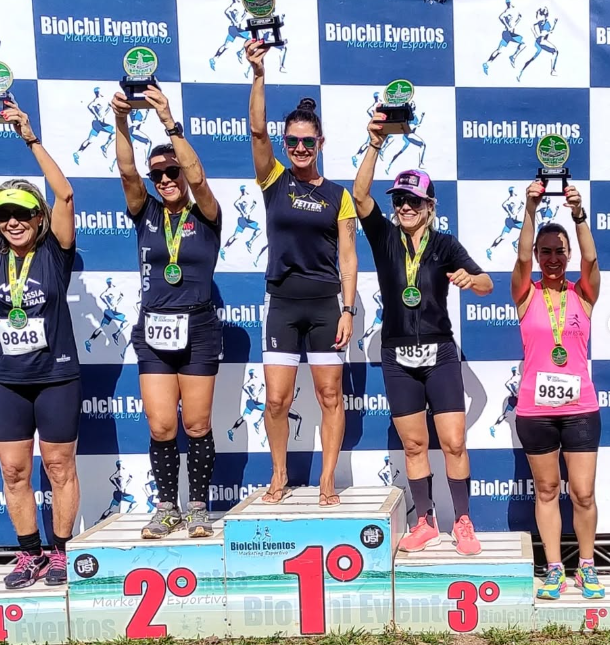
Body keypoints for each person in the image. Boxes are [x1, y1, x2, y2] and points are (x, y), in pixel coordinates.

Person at [0, 99, 80, 587]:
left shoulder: (55, 250)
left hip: (56, 376)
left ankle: (61, 552)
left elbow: (64, 195)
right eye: (4, 214)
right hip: (7, 379)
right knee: (14, 471)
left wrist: (30, 137)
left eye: (22, 213)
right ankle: (30, 554)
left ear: (37, 216)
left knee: (60, 465)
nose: (12, 221)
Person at [352, 110, 493, 555]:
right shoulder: (385, 238)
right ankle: (426, 520)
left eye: (414, 202)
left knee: (453, 441)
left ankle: (463, 520)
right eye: (400, 201)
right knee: (415, 443)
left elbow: (488, 282)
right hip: (397, 354)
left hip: (439, 352)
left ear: (430, 206)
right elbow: (358, 197)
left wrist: (472, 281)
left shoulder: (446, 245)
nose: (405, 208)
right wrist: (374, 143)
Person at [246, 39, 358, 506]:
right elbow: (256, 133)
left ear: (320, 144)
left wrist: (348, 309)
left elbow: (349, 257)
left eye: (307, 141)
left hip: (325, 303)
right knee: (275, 400)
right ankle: (279, 475)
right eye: (291, 141)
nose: (298, 148)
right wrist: (257, 74)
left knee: (330, 396)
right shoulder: (274, 179)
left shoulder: (339, 195)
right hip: (284, 302)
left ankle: (328, 479)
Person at [111, 85, 222, 539]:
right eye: (159, 174)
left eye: (170, 170)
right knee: (160, 425)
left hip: (197, 326)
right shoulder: (146, 212)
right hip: (154, 326)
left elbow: (196, 176)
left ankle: (197, 506)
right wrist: (121, 122)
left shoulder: (207, 212)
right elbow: (126, 171)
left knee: (195, 423)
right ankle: (166, 506)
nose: (165, 179)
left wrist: (169, 123)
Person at [511, 181, 604, 600]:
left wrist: (579, 215)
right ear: (537, 256)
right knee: (547, 491)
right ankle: (552, 568)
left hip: (581, 407)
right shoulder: (525, 292)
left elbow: (592, 256)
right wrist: (530, 209)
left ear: (567, 255)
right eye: (545, 251)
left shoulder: (582, 293)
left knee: (582, 493)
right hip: (535, 410)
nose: (552, 258)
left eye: (558, 251)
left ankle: (586, 566)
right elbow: (519, 254)